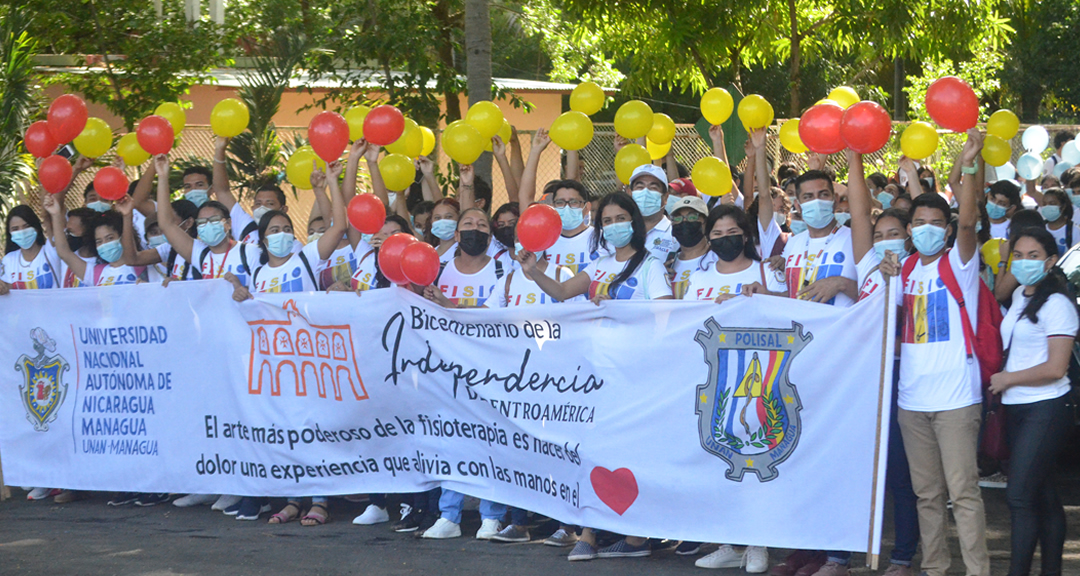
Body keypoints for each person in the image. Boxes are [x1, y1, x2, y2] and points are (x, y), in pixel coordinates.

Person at [897, 129, 989, 576]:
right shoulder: (904, 267)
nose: (927, 230)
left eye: (937, 224)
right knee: (926, 496)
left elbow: (969, 221)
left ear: (948, 230)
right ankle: (935, 568)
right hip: (911, 401)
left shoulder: (960, 261)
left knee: (964, 494)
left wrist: (969, 164)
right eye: (919, 224)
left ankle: (977, 571)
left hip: (955, 400)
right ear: (909, 230)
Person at [845, 149, 921, 576]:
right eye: (878, 234)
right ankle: (849, 554)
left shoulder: (916, 268)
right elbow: (859, 211)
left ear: (908, 236)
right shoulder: (869, 269)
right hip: (863, 379)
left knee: (899, 475)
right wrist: (854, 157)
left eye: (894, 232)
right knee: (861, 469)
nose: (884, 240)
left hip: (900, 378)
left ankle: (902, 556)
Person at [989, 227, 1077, 576]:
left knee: (1019, 497)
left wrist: (1008, 378)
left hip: (1047, 406)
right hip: (1017, 407)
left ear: (1051, 261)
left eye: (1034, 256)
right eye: (1019, 257)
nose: (1024, 263)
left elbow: (1056, 368)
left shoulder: (1058, 304)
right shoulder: (1022, 298)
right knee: (1042, 495)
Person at [420, 208, 509, 540]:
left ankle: (492, 515)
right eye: (468, 225)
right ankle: (449, 516)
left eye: (482, 225)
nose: (475, 229)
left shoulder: (504, 269)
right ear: (455, 235)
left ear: (491, 235)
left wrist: (450, 306)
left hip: (491, 370)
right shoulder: (437, 270)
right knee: (452, 441)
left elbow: (498, 317)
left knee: (492, 441)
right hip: (446, 369)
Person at [1038, 188, 1080, 255]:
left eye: (1052, 204)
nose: (1047, 207)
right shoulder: (1040, 228)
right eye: (1044, 204)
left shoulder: (1074, 231)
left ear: (1063, 207)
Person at [425, 198, 461, 262]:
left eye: (448, 217)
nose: (442, 221)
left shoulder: (463, 252)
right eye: (437, 218)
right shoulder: (429, 253)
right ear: (431, 221)